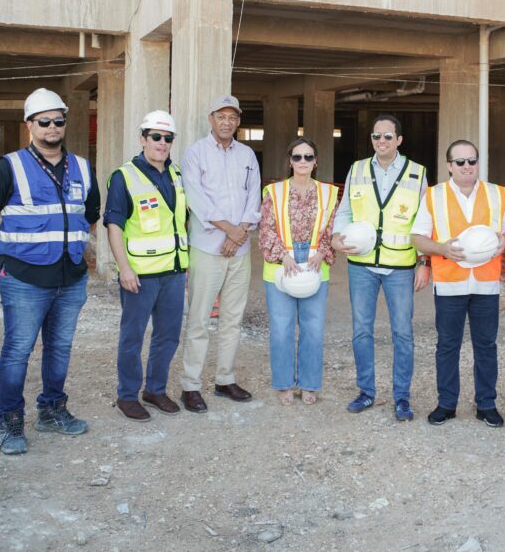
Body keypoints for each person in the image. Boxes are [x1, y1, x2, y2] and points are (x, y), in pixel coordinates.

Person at [0, 87, 99, 455]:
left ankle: (52, 410)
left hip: (70, 277)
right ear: (29, 125)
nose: (53, 127)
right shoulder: (9, 168)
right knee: (17, 351)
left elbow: (88, 218)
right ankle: (10, 421)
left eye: (58, 120)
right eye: (44, 121)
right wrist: (7, 253)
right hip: (24, 280)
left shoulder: (83, 169)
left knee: (59, 348)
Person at [411, 140, 505, 427]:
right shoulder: (433, 195)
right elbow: (417, 237)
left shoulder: (496, 193)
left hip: (485, 284)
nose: (467, 166)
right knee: (447, 345)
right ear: (449, 166)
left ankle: (486, 404)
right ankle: (446, 404)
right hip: (450, 284)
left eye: (472, 161)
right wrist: (441, 249)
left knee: (486, 345)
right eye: (460, 162)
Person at [330, 114, 429, 421]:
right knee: (361, 331)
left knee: (403, 333)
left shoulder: (417, 173)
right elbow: (345, 209)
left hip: (400, 265)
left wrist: (424, 261)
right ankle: (366, 391)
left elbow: (426, 221)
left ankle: (402, 397)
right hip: (362, 265)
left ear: (399, 140)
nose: (381, 142)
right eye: (376, 136)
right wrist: (336, 236)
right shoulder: (357, 169)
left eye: (388, 137)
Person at [104, 111, 188, 422]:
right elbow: (114, 225)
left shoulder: (176, 174)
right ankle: (127, 395)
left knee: (168, 335)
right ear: (143, 139)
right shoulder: (124, 176)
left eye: (168, 138)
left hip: (174, 271)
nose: (162, 143)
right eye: (155, 137)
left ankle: (155, 389)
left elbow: (180, 222)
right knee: (133, 336)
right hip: (140, 275)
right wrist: (124, 268)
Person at [179, 95, 261, 412]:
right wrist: (231, 230)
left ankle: (225, 379)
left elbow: (254, 197)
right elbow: (197, 200)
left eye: (233, 117)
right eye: (221, 116)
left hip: (239, 249)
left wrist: (239, 232)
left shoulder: (247, 155)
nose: (227, 122)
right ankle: (190, 385)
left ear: (238, 121)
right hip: (207, 248)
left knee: (232, 319)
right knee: (199, 319)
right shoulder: (195, 153)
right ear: (211, 118)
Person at [259, 137, 339, 406]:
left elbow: (333, 227)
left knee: (312, 330)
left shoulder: (328, 193)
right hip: (281, 268)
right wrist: (282, 255)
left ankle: (309, 384)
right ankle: (283, 384)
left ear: (316, 161)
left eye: (308, 157)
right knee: (281, 329)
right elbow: (267, 227)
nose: (302, 162)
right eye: (297, 157)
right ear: (289, 161)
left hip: (316, 266)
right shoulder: (274, 191)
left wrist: (323, 251)